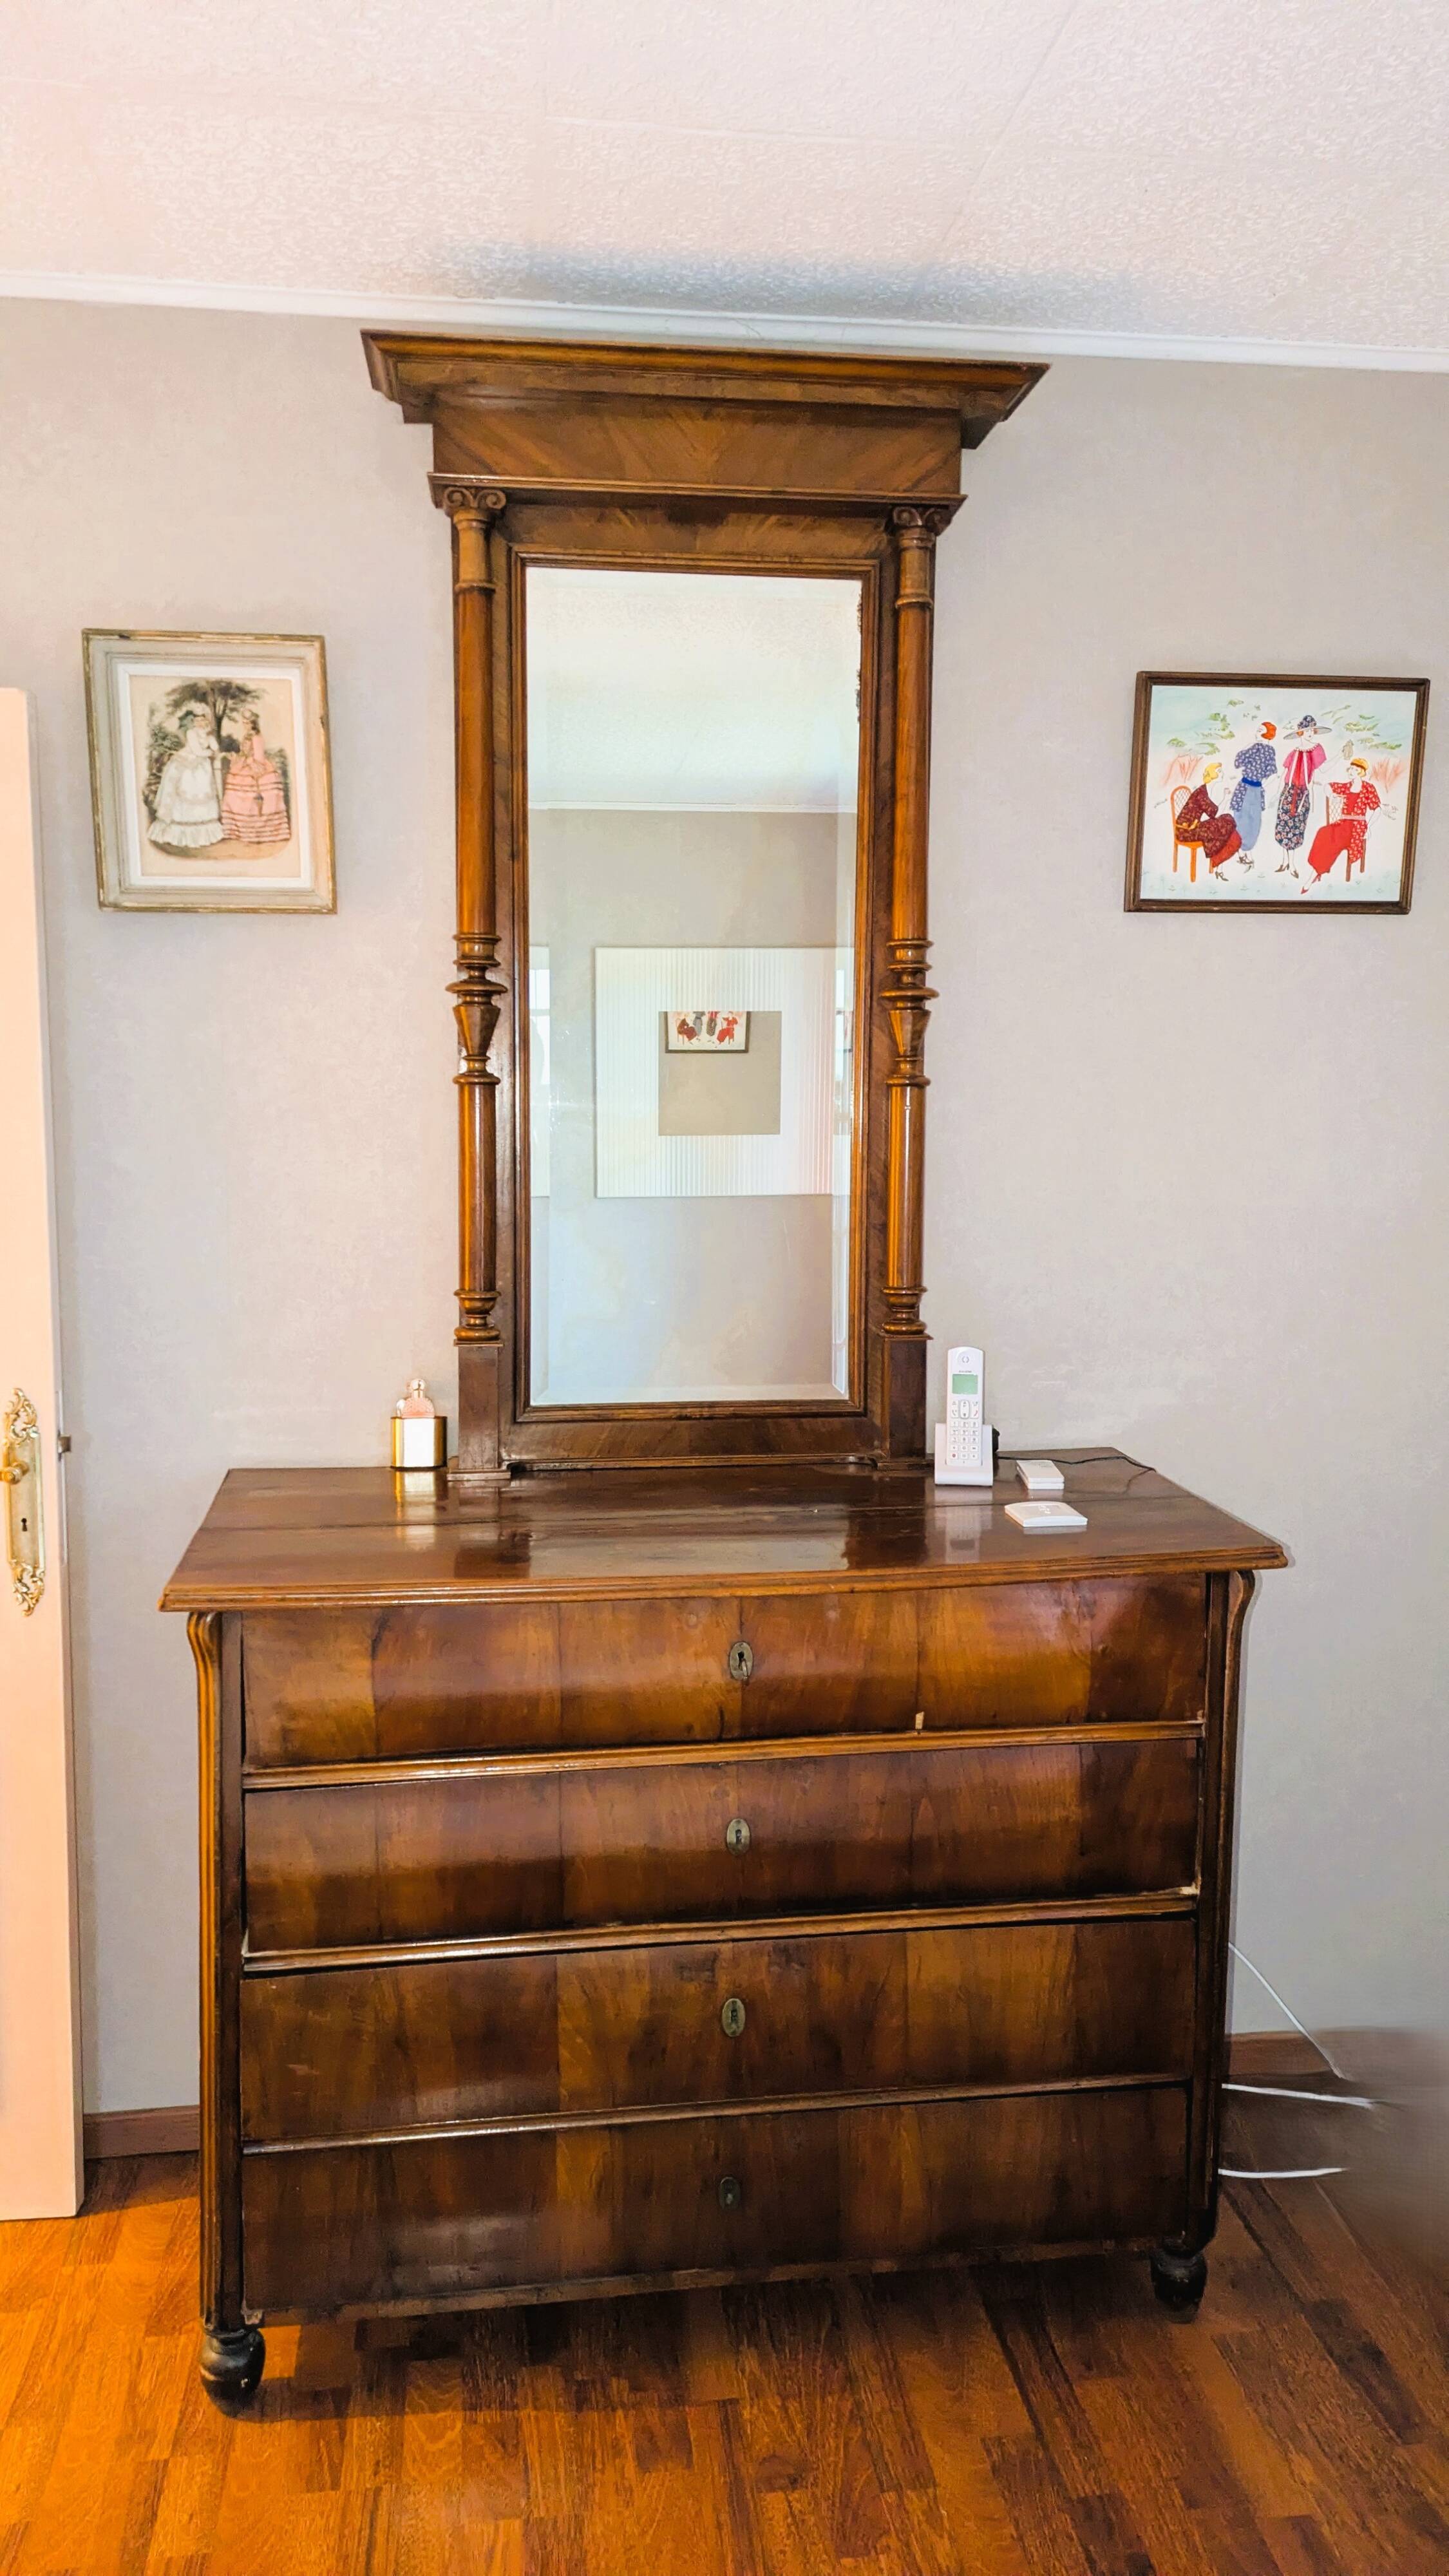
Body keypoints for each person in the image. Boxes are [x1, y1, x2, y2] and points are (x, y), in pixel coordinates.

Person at [147, 714, 225, 851]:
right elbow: (197, 751)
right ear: (194, 722)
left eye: (203, 720)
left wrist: (215, 749)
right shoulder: (191, 733)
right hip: (187, 763)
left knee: (203, 791)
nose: (200, 723)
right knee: (186, 785)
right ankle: (178, 830)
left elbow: (216, 749)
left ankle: (204, 832)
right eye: (197, 720)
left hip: (203, 766)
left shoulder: (209, 736)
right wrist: (210, 752)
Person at [1304, 758, 1381, 887]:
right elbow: (1328, 786)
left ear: (1361, 772)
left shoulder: (1368, 788)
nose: (1351, 771)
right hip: (1343, 824)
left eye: (1355, 770)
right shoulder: (1347, 787)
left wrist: (1369, 828)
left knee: (1333, 843)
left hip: (1357, 828)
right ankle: (1317, 871)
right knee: (1323, 833)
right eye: (1351, 769)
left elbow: (1377, 809)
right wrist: (1332, 795)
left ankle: (1314, 876)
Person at [220, 724, 290, 845]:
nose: (244, 746)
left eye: (248, 722)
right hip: (243, 770)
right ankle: (236, 830)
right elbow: (237, 764)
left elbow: (260, 769)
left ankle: (261, 832)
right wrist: (240, 760)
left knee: (262, 794)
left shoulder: (258, 744)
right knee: (233, 793)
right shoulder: (243, 750)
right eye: (243, 744)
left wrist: (250, 761)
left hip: (257, 772)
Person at [1273, 715, 1326, 864]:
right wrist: (1277, 794)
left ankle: (1292, 863)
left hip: (1303, 793)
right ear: (1301, 732)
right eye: (1307, 730)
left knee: (1297, 826)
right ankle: (1285, 862)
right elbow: (1285, 773)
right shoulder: (1294, 752)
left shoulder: (1316, 749)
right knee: (1283, 825)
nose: (1310, 733)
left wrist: (1340, 756)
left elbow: (1323, 769)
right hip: (1288, 792)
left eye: (1312, 730)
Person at [1173, 762, 1242, 873]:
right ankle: (1219, 861)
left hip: (1195, 826)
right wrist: (1226, 799)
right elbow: (1213, 813)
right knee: (1224, 824)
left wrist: (1225, 799)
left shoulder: (1206, 790)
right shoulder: (1201, 793)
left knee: (1226, 819)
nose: (1223, 774)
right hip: (1186, 831)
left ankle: (1221, 861)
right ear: (1213, 774)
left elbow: (1213, 813)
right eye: (1219, 772)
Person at [1229, 722, 1277, 857]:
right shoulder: (1258, 748)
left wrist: (1261, 785)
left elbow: (1272, 773)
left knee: (1251, 820)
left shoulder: (1264, 750)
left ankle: (1244, 852)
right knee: (1244, 819)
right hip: (1247, 788)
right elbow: (1238, 763)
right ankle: (1241, 852)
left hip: (1253, 790)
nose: (1257, 733)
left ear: (1267, 734)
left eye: (1260, 730)